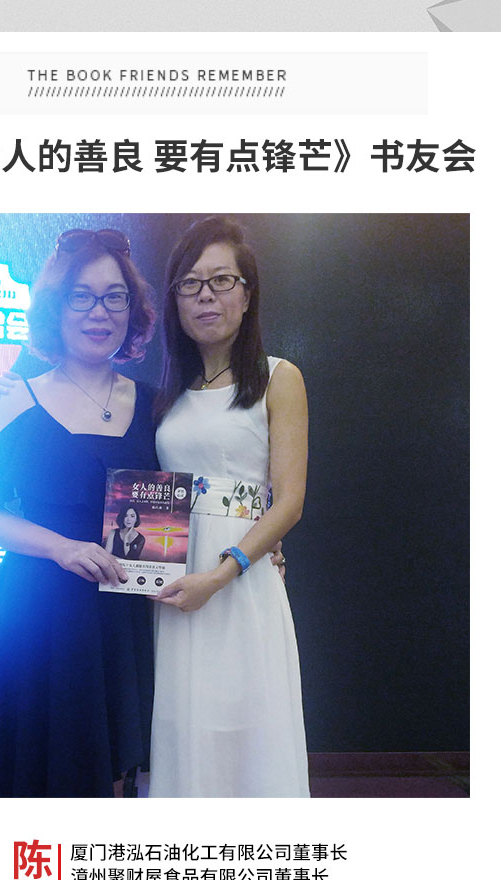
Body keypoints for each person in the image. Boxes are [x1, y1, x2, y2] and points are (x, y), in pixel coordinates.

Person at [0, 228, 158, 797]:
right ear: (55, 306)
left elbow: (196, 490)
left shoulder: (155, 404)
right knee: (42, 770)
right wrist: (62, 548)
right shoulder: (14, 398)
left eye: (115, 296)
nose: (99, 312)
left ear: (132, 309)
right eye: (81, 296)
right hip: (40, 614)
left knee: (121, 773)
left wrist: (261, 542)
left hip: (125, 613)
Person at [149, 216, 310, 797]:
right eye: (190, 284)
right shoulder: (167, 392)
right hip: (175, 584)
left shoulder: (278, 378)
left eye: (222, 280)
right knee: (184, 726)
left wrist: (220, 575)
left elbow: (288, 502)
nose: (206, 296)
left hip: (238, 581)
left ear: (247, 294)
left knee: (250, 728)